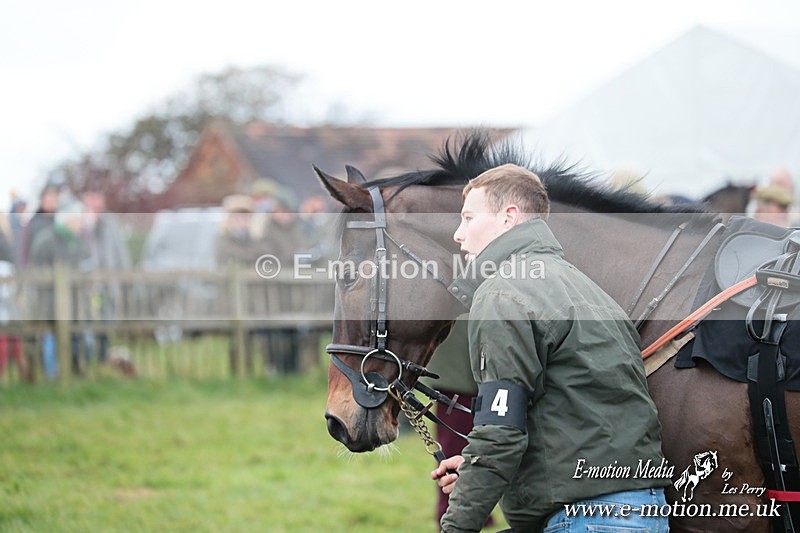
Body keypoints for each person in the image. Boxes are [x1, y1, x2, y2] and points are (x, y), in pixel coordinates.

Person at [431, 164, 670, 532]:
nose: (458, 234)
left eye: (468, 218)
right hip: (642, 510)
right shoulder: (587, 289)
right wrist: (477, 465)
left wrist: (455, 527)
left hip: (588, 519)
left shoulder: (502, 293)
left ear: (508, 217)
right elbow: (579, 417)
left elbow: (500, 432)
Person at [80, 189, 132, 362]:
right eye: (93, 199)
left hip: (109, 282)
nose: (97, 204)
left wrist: (125, 273)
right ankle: (88, 356)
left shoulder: (110, 222)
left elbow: (119, 250)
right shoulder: (81, 222)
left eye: (99, 199)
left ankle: (104, 356)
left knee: (107, 318)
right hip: (88, 284)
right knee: (89, 319)